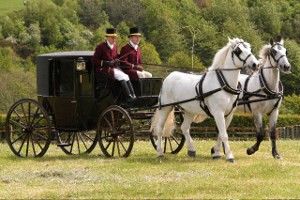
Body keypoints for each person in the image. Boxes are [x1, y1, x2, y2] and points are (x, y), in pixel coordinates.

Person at [93, 28, 136, 102]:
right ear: (107, 37)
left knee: (126, 76)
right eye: (112, 37)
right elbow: (95, 60)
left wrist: (117, 62)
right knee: (122, 76)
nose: (114, 39)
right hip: (103, 70)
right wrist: (106, 63)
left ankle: (133, 96)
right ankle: (128, 97)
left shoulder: (115, 46)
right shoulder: (100, 47)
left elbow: (115, 57)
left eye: (115, 37)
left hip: (113, 68)